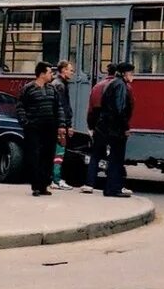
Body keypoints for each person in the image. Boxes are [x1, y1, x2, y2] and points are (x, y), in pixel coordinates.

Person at [16, 61, 64, 197]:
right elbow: (20, 107)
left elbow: (58, 107)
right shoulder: (28, 88)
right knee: (34, 156)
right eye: (49, 72)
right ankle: (36, 186)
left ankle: (44, 185)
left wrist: (61, 125)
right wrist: (25, 123)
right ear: (42, 74)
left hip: (50, 128)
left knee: (48, 156)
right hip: (34, 129)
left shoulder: (52, 89)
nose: (52, 75)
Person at [97, 62, 135, 198]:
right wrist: (125, 127)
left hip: (110, 127)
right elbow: (120, 109)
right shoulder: (121, 86)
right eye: (131, 73)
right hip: (116, 129)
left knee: (113, 158)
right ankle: (114, 188)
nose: (133, 76)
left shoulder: (113, 83)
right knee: (117, 159)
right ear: (124, 74)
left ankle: (110, 188)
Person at [80, 63, 117, 194]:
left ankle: (89, 184)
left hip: (98, 125)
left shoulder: (97, 86)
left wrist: (91, 127)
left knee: (95, 155)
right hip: (113, 125)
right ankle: (111, 185)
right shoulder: (119, 86)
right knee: (114, 155)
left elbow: (90, 110)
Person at [50, 60, 76, 190]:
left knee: (54, 152)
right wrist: (67, 124)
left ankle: (53, 179)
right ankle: (56, 179)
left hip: (55, 122)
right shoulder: (60, 85)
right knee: (59, 152)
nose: (72, 72)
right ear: (63, 70)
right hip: (60, 124)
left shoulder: (55, 83)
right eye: (70, 70)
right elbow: (63, 107)